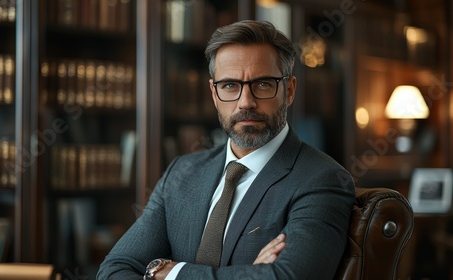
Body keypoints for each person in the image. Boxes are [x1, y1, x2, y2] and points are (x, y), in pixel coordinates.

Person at [97, 20, 355, 280]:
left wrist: (172, 273)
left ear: (288, 91)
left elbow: (288, 277)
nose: (246, 102)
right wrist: (250, 274)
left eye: (263, 84)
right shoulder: (181, 173)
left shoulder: (322, 180)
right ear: (214, 94)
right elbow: (113, 269)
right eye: (230, 86)